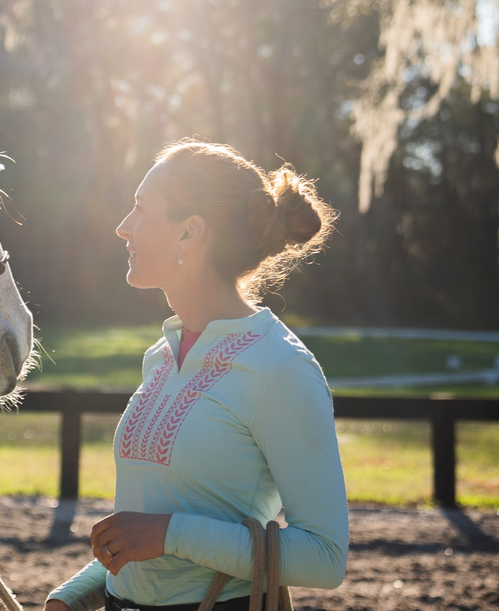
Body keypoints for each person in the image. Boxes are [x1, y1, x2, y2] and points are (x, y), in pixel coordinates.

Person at [44, 140, 348, 611]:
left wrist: (171, 534)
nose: (123, 228)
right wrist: (74, 596)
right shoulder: (161, 356)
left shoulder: (282, 369)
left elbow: (325, 558)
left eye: (141, 209)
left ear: (189, 233)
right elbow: (143, 532)